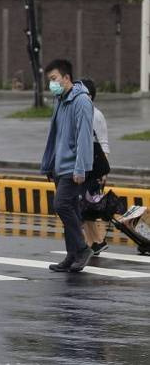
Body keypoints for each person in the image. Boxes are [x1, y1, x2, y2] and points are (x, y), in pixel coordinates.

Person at [41, 59, 95, 273]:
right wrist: (49, 165)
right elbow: (55, 137)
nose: (51, 84)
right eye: (49, 81)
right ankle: (72, 255)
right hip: (60, 167)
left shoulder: (81, 101)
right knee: (69, 209)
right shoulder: (60, 100)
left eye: (54, 79)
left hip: (74, 168)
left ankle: (82, 249)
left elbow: (84, 138)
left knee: (61, 205)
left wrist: (80, 168)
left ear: (66, 78)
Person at [78, 78, 111, 255]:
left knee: (86, 208)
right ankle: (94, 242)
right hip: (84, 168)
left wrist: (102, 173)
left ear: (88, 96)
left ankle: (96, 242)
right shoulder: (81, 112)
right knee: (84, 207)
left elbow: (103, 144)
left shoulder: (96, 116)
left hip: (94, 169)